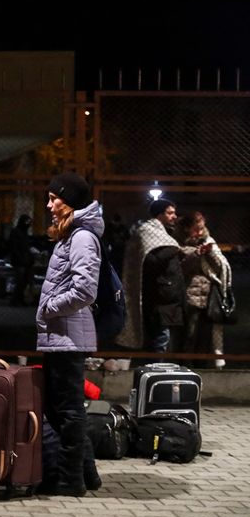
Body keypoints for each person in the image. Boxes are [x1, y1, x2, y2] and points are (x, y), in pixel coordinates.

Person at [36, 172, 101, 497]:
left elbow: (85, 290)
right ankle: (86, 475)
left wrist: (50, 307)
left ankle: (70, 480)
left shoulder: (81, 238)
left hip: (67, 338)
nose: (48, 204)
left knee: (69, 411)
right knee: (63, 409)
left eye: (53, 198)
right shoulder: (71, 234)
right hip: (61, 337)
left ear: (70, 201)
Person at [116, 198, 192, 352]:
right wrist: (176, 250)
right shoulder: (147, 231)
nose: (174, 216)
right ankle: (154, 370)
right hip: (158, 295)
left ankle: (156, 367)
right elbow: (153, 260)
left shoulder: (165, 234)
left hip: (166, 296)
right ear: (159, 214)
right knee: (160, 339)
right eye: (170, 213)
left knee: (163, 338)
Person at [178, 213, 232, 368]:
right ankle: (185, 365)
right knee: (189, 334)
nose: (200, 232)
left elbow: (221, 265)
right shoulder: (179, 242)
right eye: (196, 229)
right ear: (187, 229)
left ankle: (201, 365)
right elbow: (180, 269)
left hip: (209, 295)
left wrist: (210, 253)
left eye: (202, 228)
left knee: (205, 334)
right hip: (190, 295)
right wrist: (196, 254)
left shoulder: (209, 241)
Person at [8, 215, 36, 305]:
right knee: (20, 281)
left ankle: (19, 299)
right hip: (19, 260)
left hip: (24, 260)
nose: (28, 225)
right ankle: (15, 300)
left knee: (24, 281)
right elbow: (14, 247)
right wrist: (20, 257)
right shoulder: (17, 232)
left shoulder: (23, 232)